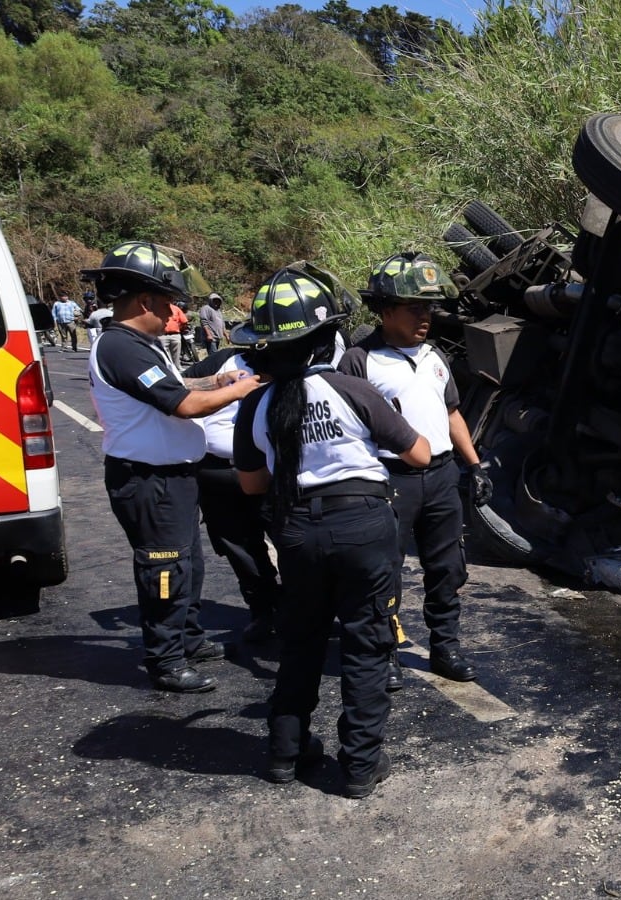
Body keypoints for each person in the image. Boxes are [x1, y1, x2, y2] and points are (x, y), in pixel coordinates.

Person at [231, 264, 430, 798]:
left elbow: (251, 484)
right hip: (363, 526)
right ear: (326, 338)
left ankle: (283, 754)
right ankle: (361, 765)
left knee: (301, 642)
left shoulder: (257, 404)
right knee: (366, 645)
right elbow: (420, 451)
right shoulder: (352, 389)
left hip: (296, 530)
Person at [84, 241, 263, 693]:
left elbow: (179, 384)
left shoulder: (140, 344)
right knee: (165, 568)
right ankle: (165, 660)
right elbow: (183, 404)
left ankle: (187, 638)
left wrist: (216, 379)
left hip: (173, 478)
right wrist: (239, 391)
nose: (174, 313)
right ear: (144, 301)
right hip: (148, 480)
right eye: (168, 303)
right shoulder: (121, 348)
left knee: (190, 564)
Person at [338, 251, 489, 691]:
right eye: (414, 308)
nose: (425, 317)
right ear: (385, 312)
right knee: (383, 570)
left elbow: (452, 414)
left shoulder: (435, 356)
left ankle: (446, 647)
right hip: (390, 480)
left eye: (428, 308)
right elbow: (349, 427)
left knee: (447, 568)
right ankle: (384, 653)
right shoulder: (359, 361)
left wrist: (474, 465)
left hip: (442, 478)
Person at [183, 343, 284, 644]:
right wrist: (217, 382)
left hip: (272, 471)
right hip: (218, 471)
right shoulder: (224, 359)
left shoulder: (291, 365)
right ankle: (263, 610)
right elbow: (178, 385)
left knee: (292, 541)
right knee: (237, 545)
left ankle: (303, 609)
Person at [160, 299, 189, 369]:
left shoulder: (176, 309)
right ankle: (169, 369)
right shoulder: (158, 308)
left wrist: (179, 328)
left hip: (175, 335)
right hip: (162, 336)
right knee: (165, 355)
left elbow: (184, 321)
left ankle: (178, 368)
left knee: (176, 353)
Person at [198, 292, 227, 357]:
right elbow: (204, 322)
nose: (216, 303)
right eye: (214, 301)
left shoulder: (218, 311)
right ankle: (212, 367)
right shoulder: (206, 308)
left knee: (214, 355)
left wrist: (226, 335)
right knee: (214, 356)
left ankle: (212, 366)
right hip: (211, 337)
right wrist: (208, 335)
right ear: (211, 301)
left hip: (217, 337)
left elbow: (222, 323)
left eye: (218, 301)